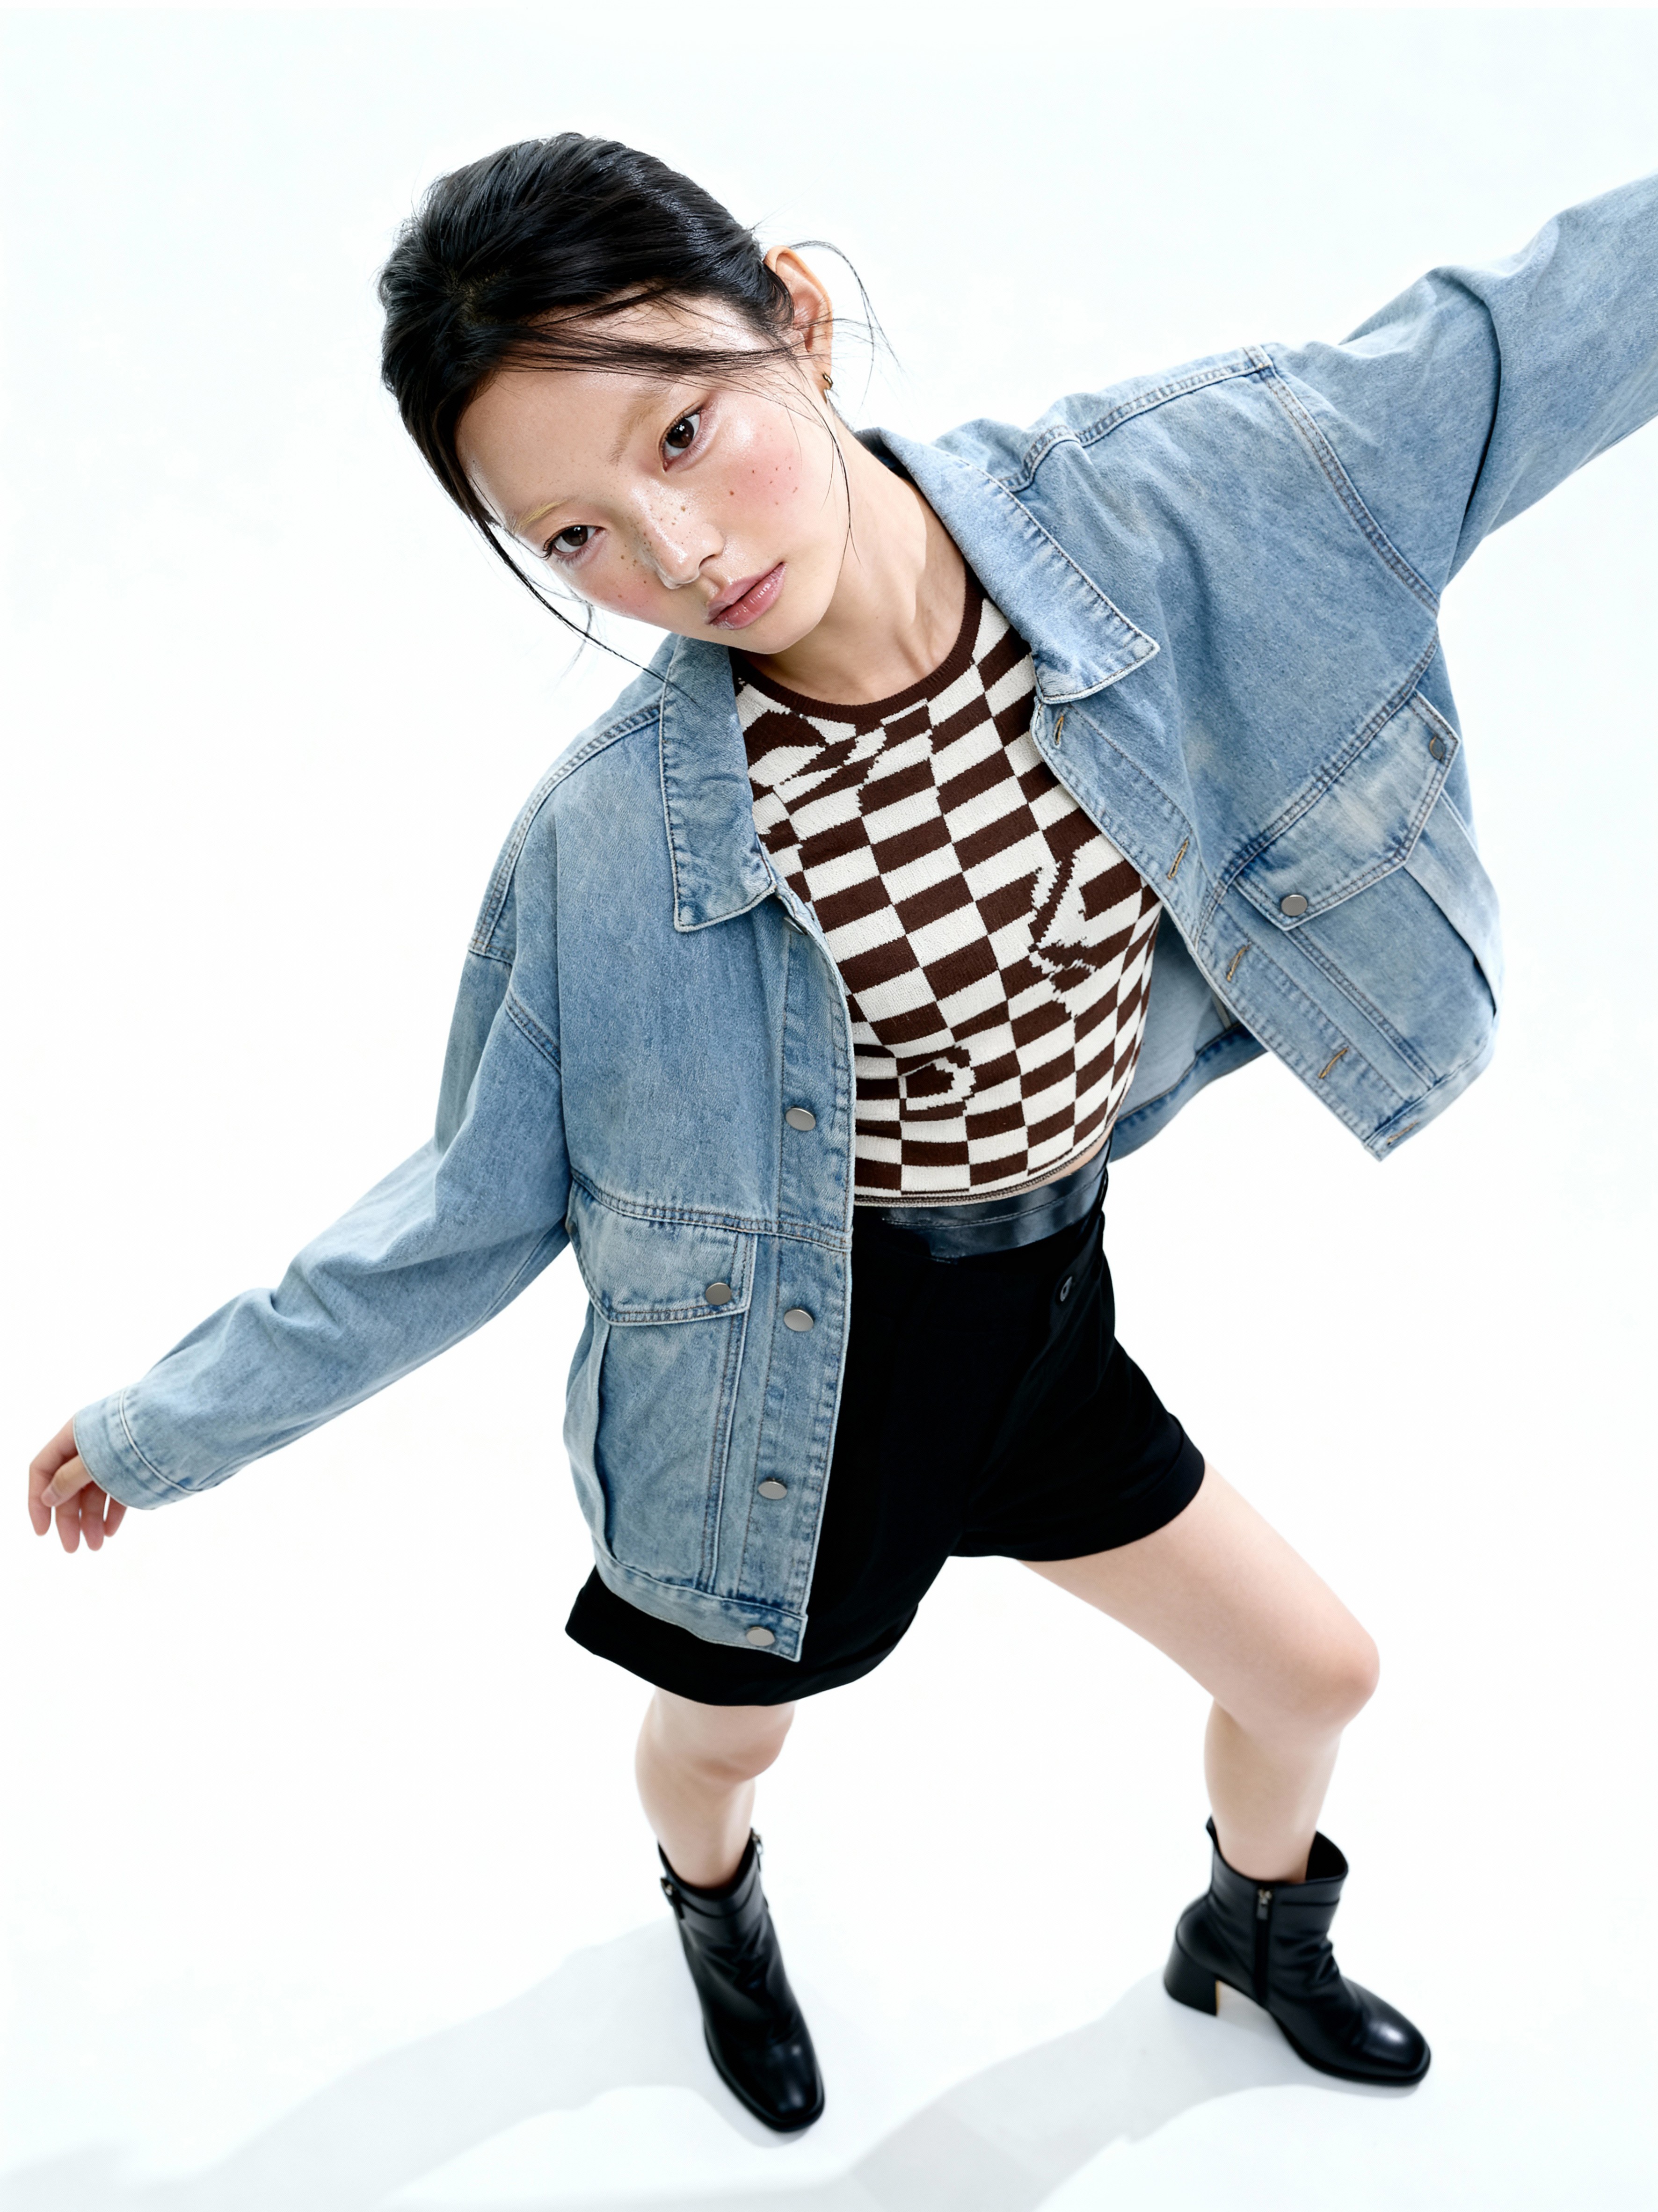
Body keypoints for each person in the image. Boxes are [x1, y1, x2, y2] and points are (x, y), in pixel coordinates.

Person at [29, 134, 1657, 2135]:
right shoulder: (610, 850)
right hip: (772, 1400)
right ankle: (709, 1905)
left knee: (1317, 1674)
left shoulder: (1205, 499)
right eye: (576, 536)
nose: (675, 553)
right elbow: (459, 1214)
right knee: (729, 1745)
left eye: (684, 432)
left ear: (793, 318)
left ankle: (1254, 1931)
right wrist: (164, 1425)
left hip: (1036, 1323)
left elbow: (1542, 330)